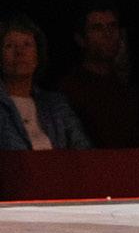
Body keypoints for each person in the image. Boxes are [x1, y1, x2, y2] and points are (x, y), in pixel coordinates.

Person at [59, 1, 139, 149]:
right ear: (81, 39)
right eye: (97, 28)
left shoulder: (130, 90)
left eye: (112, 26)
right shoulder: (70, 91)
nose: (108, 34)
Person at [0, 14, 91, 151]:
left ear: (38, 55)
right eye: (9, 46)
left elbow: (84, 150)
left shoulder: (56, 105)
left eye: (27, 44)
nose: (19, 52)